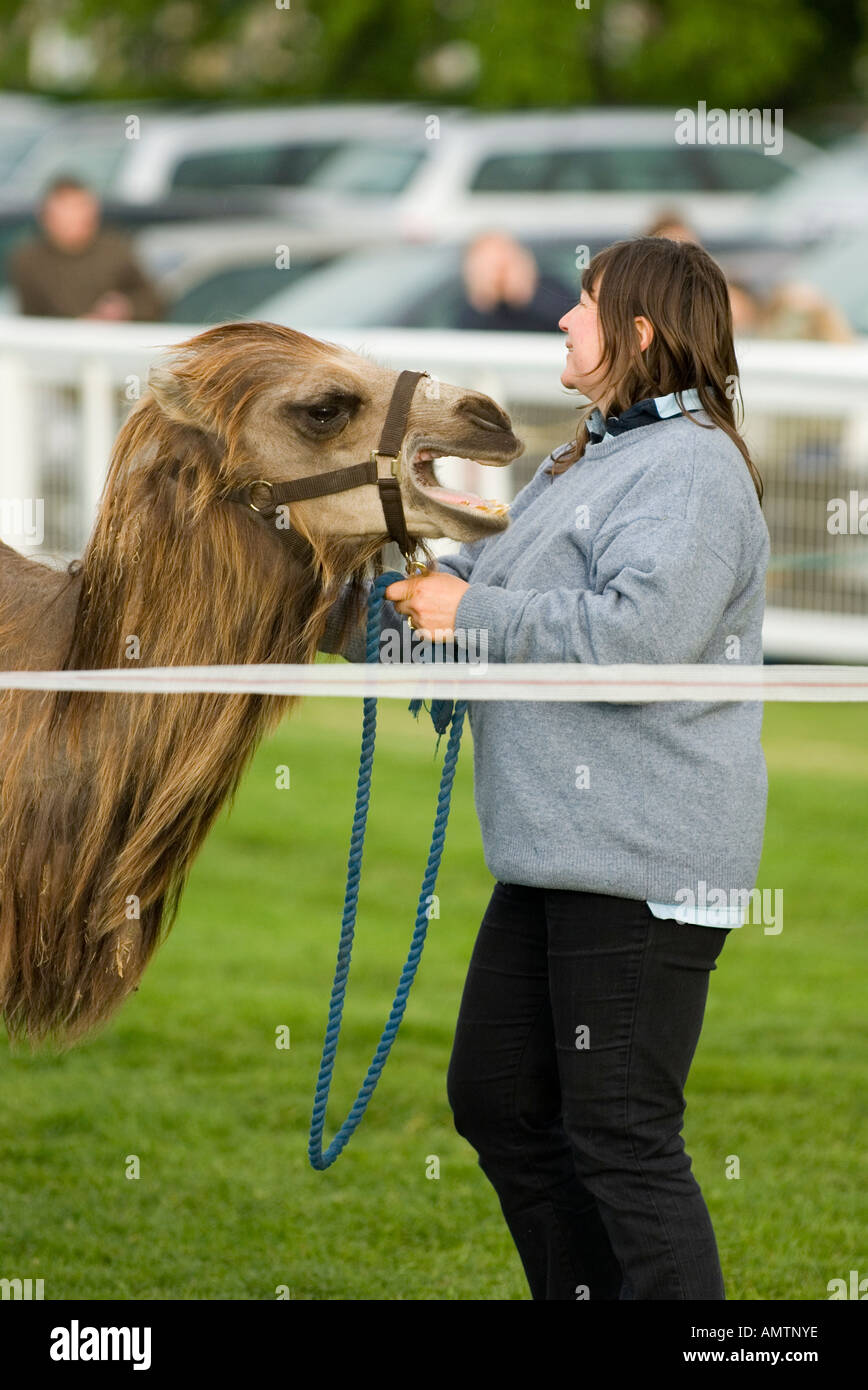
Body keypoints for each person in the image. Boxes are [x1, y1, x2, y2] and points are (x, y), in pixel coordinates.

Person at [319, 235, 770, 1300]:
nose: (564, 318)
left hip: (639, 864)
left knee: (619, 1136)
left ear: (639, 335)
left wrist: (473, 612)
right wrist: (311, 591)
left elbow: (637, 638)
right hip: (557, 858)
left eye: (584, 304)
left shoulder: (693, 466)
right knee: (500, 1101)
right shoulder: (591, 458)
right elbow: (457, 596)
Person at [9, 176, 164, 320]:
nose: (76, 218)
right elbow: (29, 319)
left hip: (112, 341)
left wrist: (125, 308)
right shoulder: (29, 260)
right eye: (67, 211)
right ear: (47, 219)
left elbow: (154, 301)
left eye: (81, 209)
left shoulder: (116, 250)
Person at [455, 230, 574, 332]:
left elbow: (567, 325)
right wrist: (483, 302)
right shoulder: (466, 306)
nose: (500, 274)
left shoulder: (551, 289)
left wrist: (524, 296)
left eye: (505, 262)